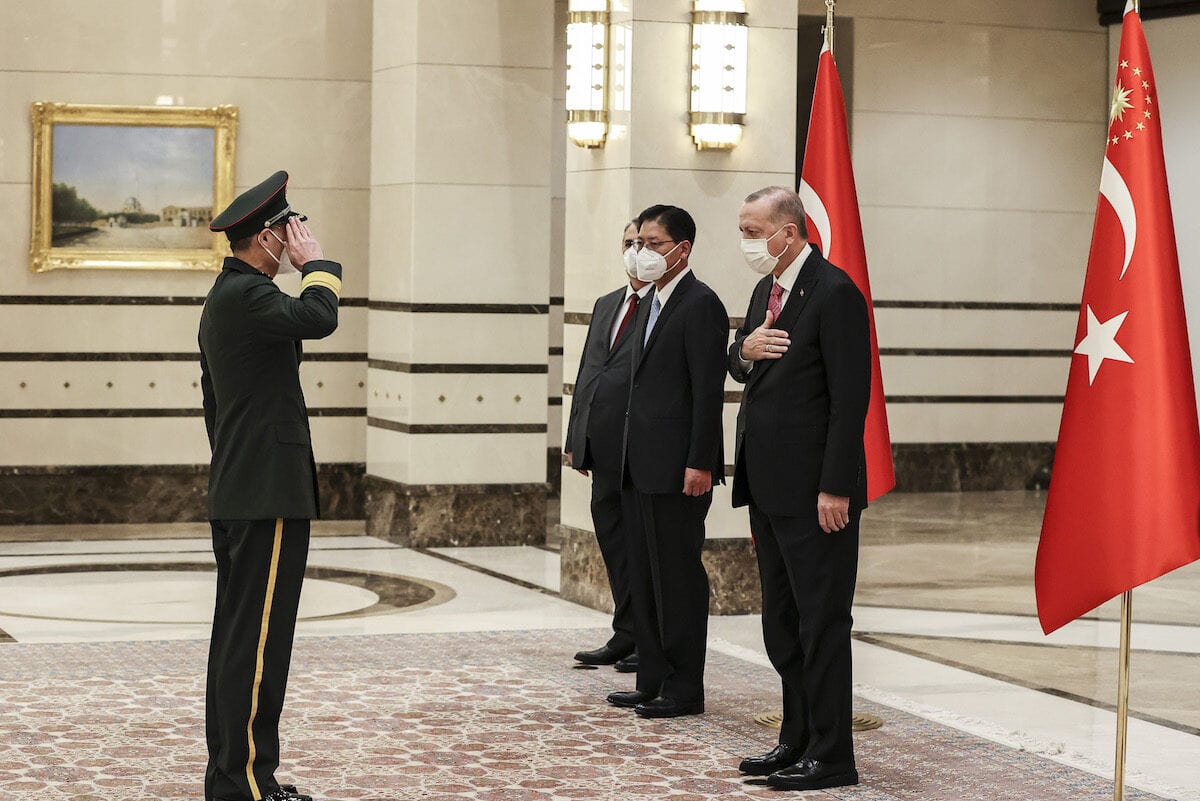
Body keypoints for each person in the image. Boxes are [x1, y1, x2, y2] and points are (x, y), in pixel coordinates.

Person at [199, 170, 343, 801]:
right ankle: (245, 784)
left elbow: (214, 405)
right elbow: (318, 318)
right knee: (258, 642)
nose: (297, 239)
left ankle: (238, 775)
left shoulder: (230, 297)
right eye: (290, 230)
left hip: (247, 484)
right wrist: (321, 264)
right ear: (267, 236)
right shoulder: (247, 294)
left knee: (242, 640)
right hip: (265, 492)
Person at [728, 186, 870, 791]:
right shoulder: (766, 291)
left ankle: (833, 753)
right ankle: (795, 738)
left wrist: (835, 486)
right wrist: (743, 351)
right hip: (768, 485)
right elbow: (744, 367)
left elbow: (849, 399)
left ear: (790, 231)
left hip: (816, 493)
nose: (747, 242)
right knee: (781, 624)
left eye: (754, 230)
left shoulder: (835, 293)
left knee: (821, 623)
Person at [605, 204, 728, 719]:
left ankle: (684, 687)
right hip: (638, 464)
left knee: (675, 578)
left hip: (679, 469)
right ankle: (651, 676)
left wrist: (701, 461)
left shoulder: (700, 304)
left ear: (683, 249)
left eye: (654, 244)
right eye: (638, 244)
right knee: (645, 574)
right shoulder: (651, 301)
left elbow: (707, 392)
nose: (643, 253)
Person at [565, 221, 650, 674]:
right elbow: (588, 373)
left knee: (641, 546)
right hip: (602, 453)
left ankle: (648, 636)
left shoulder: (663, 308)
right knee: (614, 543)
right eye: (629, 243)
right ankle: (626, 630)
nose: (635, 251)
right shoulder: (607, 304)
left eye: (644, 243)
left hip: (640, 453)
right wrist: (577, 439)